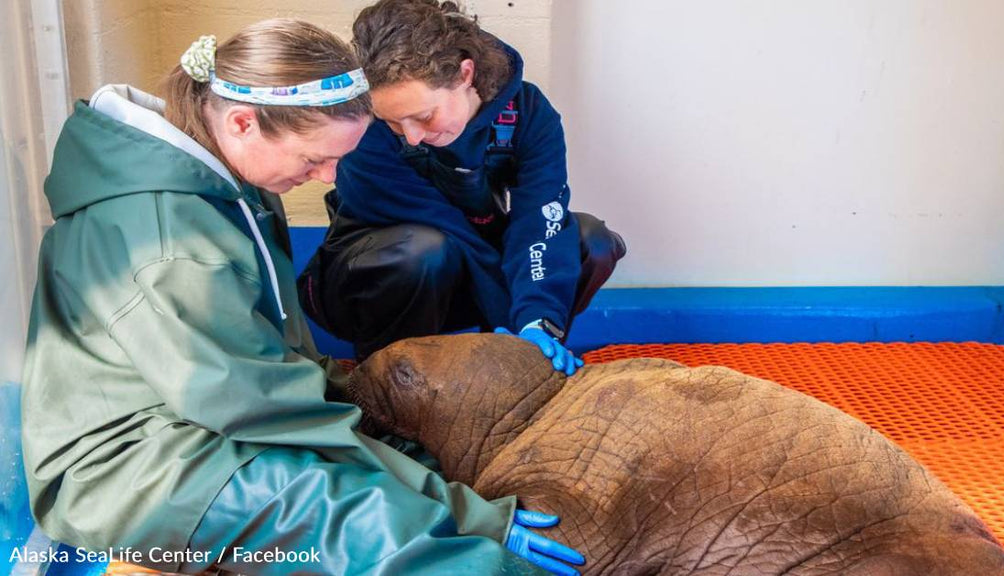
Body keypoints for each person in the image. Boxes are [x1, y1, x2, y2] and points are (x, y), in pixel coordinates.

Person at [21, 19, 584, 576]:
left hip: (203, 421)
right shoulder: (173, 244)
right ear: (243, 122)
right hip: (127, 467)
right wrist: (468, 516)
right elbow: (264, 408)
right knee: (371, 525)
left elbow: (267, 368)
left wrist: (397, 443)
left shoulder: (229, 184)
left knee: (406, 460)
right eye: (314, 160)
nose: (328, 178)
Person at [297, 0, 627, 370]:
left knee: (589, 240)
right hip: (372, 280)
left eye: (423, 116)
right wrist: (510, 319)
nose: (412, 136)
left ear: (464, 74)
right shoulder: (363, 129)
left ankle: (530, 358)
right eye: (393, 122)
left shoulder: (529, 113)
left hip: (465, 269)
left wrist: (536, 324)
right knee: (425, 249)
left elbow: (539, 220)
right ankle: (390, 374)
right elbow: (449, 230)